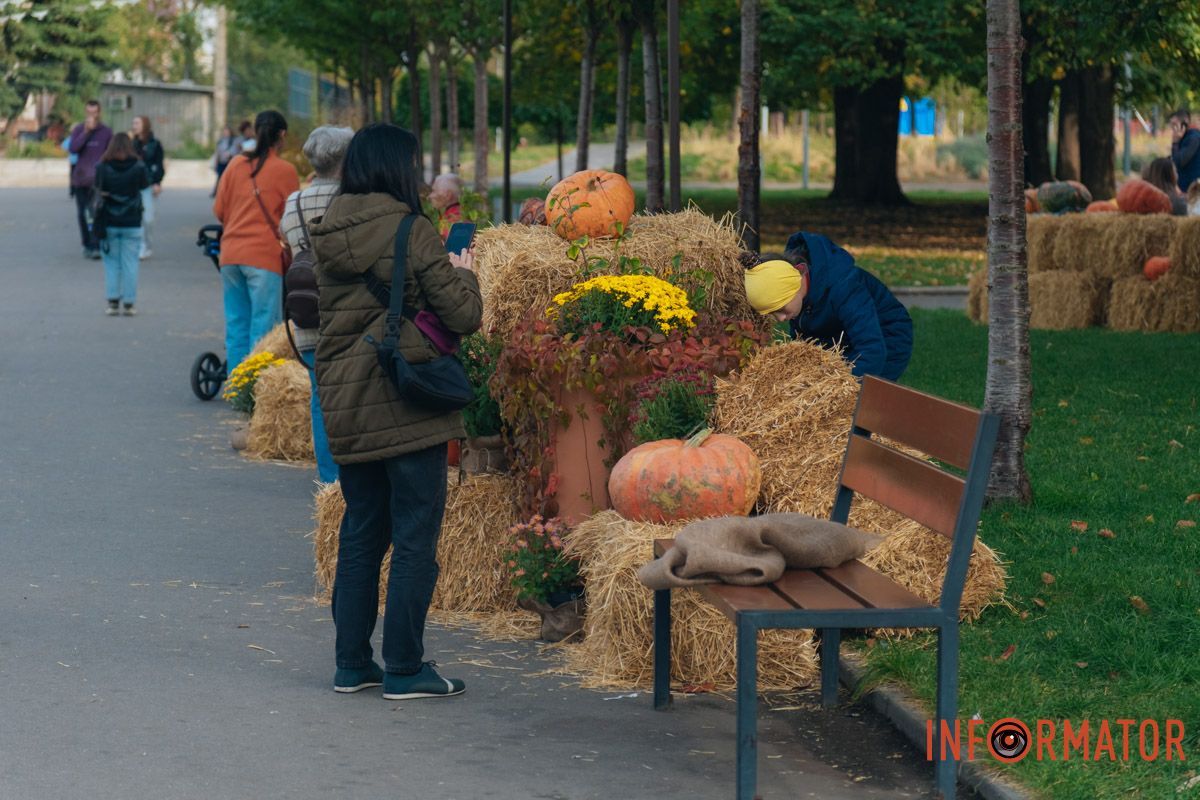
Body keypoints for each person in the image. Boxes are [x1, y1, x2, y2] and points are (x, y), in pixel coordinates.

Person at [308, 123, 481, 699]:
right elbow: (461, 316)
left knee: (361, 532)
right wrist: (467, 274)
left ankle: (351, 663)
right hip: (404, 400)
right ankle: (405, 667)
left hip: (345, 396)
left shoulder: (329, 227)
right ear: (396, 168)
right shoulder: (412, 228)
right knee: (414, 537)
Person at [279, 125, 354, 485]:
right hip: (347, 316)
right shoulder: (351, 199)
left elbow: (288, 246)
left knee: (320, 399)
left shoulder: (293, 203)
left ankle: (329, 481)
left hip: (308, 317)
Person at [744, 232, 913, 381]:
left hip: (885, 337)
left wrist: (837, 389)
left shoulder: (843, 287)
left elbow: (873, 350)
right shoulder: (798, 298)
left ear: (794, 286)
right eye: (773, 313)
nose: (780, 318)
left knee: (863, 403)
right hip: (837, 333)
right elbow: (804, 346)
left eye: (781, 309)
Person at [212, 110, 300, 372]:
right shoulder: (285, 170)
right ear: (281, 135)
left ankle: (237, 389)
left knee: (236, 323)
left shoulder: (235, 165)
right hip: (264, 257)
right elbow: (292, 218)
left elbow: (219, 210)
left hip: (230, 255)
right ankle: (256, 391)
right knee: (263, 327)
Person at [94, 133, 150, 316]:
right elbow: (144, 186)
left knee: (111, 263)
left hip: (108, 220)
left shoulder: (102, 166)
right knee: (130, 263)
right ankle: (129, 303)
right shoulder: (139, 166)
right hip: (132, 220)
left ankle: (112, 302)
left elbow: (97, 189)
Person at [68, 100, 113, 259]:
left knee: (96, 212)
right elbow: (73, 149)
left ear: (99, 113)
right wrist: (86, 132)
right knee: (82, 213)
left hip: (98, 179)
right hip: (81, 179)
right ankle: (86, 243)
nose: (91, 116)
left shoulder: (106, 131)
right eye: (89, 112)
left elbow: (111, 153)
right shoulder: (79, 129)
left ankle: (96, 245)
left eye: (94, 113)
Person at [131, 116, 165, 258]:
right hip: (133, 184)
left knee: (148, 217)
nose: (134, 125)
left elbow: (159, 165)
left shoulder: (155, 144)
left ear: (145, 124)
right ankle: (139, 245)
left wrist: (157, 182)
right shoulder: (132, 143)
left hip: (148, 184)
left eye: (137, 123)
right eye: (133, 123)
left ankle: (147, 244)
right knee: (134, 217)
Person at [1169, 109, 1200, 194]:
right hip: (1186, 188)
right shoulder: (1183, 138)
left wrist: (1175, 142)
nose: (1172, 128)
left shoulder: (1193, 138)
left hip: (1192, 190)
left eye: (1174, 124)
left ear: (1184, 125)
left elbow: (1179, 161)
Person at [428, 172, 463, 239]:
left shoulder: (453, 219)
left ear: (447, 195)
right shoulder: (459, 214)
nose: (430, 196)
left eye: (434, 191)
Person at [213, 125, 241, 197]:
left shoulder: (235, 140)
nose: (225, 133)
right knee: (220, 177)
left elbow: (238, 150)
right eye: (224, 131)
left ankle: (228, 192)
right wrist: (216, 162)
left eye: (227, 131)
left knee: (230, 178)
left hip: (230, 161)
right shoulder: (221, 141)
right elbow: (217, 153)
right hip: (222, 161)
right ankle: (217, 191)